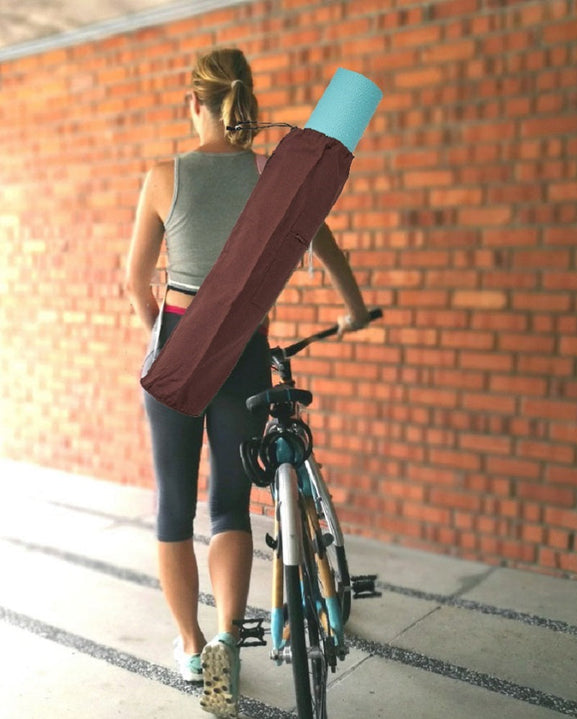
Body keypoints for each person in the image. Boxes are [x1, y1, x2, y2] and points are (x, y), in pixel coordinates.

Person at [124, 47, 370, 716]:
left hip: (177, 343)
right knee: (230, 505)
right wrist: (350, 311)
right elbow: (324, 244)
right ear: (246, 105)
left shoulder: (162, 174)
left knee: (174, 508)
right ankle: (230, 638)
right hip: (243, 352)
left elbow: (133, 281)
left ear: (194, 105)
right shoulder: (271, 175)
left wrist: (165, 340)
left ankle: (190, 644)